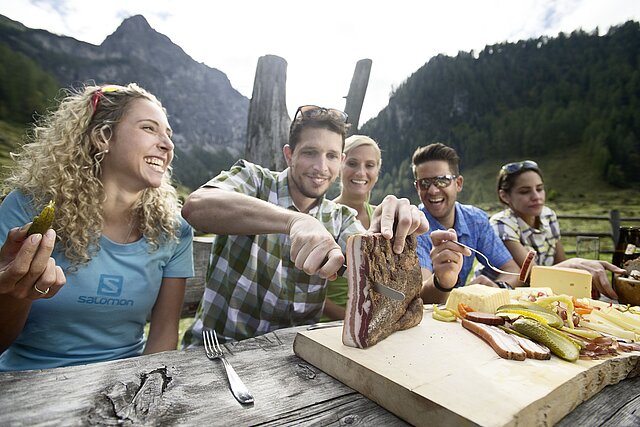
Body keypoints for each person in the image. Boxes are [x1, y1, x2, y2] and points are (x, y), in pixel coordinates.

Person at [180, 105, 461, 345]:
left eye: (330, 156)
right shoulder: (254, 180)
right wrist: (295, 221)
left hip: (294, 358)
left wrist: (396, 240)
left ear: (340, 162)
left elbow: (388, 293)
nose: (320, 167)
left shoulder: (341, 218)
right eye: (310, 153)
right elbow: (196, 206)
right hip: (219, 353)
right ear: (289, 155)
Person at [0, 83, 194, 371]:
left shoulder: (175, 230)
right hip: (26, 382)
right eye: (149, 129)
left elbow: (164, 337)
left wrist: (144, 397)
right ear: (103, 136)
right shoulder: (27, 208)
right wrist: (18, 293)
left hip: (124, 388)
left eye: (168, 134)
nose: (167, 144)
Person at [489, 160, 623, 299]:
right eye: (525, 191)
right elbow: (532, 275)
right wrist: (574, 264)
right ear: (505, 196)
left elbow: (560, 263)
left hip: (539, 296)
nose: (536, 196)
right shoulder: (501, 224)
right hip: (504, 297)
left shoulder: (548, 215)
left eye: (539, 189)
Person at [412, 143, 521, 304]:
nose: (433, 190)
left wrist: (497, 287)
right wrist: (442, 281)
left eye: (442, 181)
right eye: (425, 183)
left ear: (458, 184)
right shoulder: (415, 227)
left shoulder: (476, 220)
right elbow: (420, 294)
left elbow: (512, 270)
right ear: (417, 188)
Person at [321, 135, 381, 321]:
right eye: (353, 163)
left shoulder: (380, 217)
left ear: (378, 169)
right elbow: (308, 292)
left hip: (371, 321)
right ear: (340, 164)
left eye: (369, 165)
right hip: (331, 326)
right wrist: (353, 321)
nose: (361, 173)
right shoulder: (323, 217)